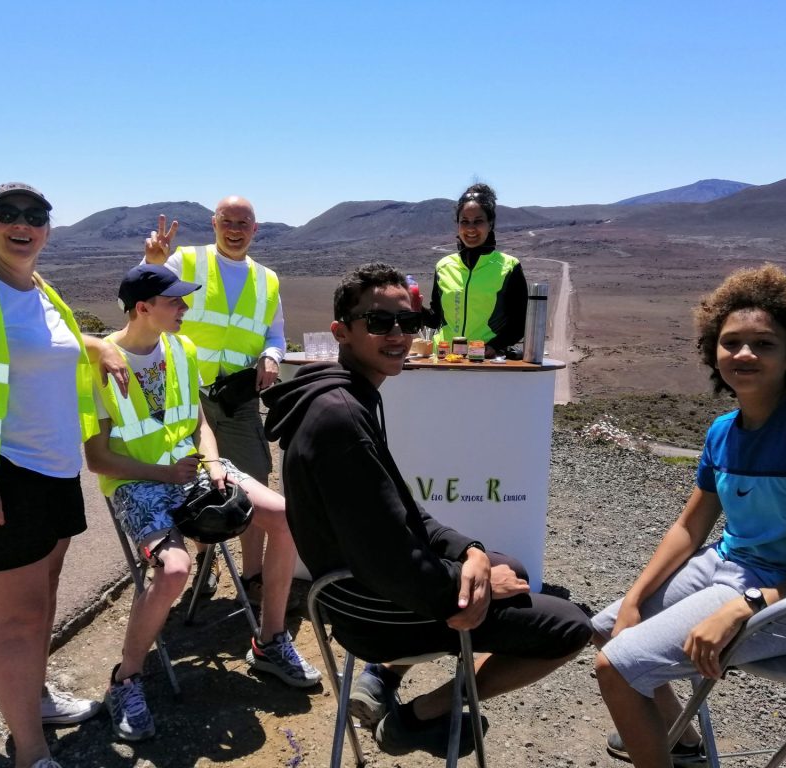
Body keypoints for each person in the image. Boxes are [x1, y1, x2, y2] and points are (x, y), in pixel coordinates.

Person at [262, 262, 592, 758]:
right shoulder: (342, 420)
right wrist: (464, 590)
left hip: (362, 594)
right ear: (342, 332)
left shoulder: (346, 398)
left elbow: (401, 510)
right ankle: (419, 716)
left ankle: (386, 684)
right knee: (572, 628)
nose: (397, 334)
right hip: (375, 615)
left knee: (513, 568)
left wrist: (472, 553)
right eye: (379, 322)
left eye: (409, 322)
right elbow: (391, 562)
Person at [591, 264, 786, 768]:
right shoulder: (723, 431)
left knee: (614, 666)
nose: (744, 354)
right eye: (731, 343)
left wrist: (742, 607)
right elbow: (689, 527)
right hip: (728, 569)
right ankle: (679, 740)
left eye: (764, 344)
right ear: (714, 352)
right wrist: (634, 599)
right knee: (606, 626)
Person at [0, 182, 131, 768]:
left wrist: (98, 344)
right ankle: (30, 754)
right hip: (2, 473)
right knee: (18, 617)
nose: (23, 224)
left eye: (35, 216)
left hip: (56, 470)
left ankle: (35, 700)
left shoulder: (41, 290)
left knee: (45, 599)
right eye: (9, 214)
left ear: (47, 229)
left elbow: (48, 346)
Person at [84, 265, 319, 740]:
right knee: (172, 570)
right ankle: (125, 679)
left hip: (195, 469)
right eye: (175, 302)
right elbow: (97, 458)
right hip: (138, 483)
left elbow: (198, 424)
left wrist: (213, 463)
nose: (185, 310)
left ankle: (270, 641)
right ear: (143, 308)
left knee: (285, 516)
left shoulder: (182, 348)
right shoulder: (98, 364)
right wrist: (163, 474)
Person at [143, 198, 284, 607]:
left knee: (253, 481)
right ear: (214, 223)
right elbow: (139, 300)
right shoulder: (185, 260)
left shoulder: (268, 279)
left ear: (255, 228)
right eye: (227, 221)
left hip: (237, 396)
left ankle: (253, 573)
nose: (235, 229)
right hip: (186, 393)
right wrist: (152, 262)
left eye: (243, 222)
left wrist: (271, 356)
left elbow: (275, 334)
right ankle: (205, 565)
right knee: (198, 482)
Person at [423, 183, 528, 358]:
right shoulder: (444, 266)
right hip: (444, 361)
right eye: (465, 221)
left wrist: (495, 346)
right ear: (458, 224)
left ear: (490, 223)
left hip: (484, 365)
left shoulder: (509, 267)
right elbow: (436, 320)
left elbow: (520, 323)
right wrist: (416, 307)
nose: (471, 228)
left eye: (478, 221)